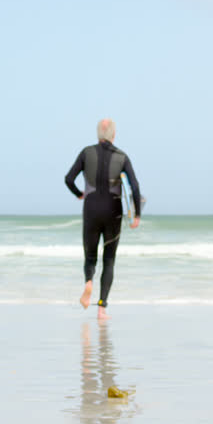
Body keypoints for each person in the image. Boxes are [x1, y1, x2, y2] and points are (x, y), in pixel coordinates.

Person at [65, 118, 142, 320]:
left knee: (90, 256)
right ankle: (101, 308)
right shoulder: (122, 156)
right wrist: (137, 215)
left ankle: (88, 282)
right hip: (112, 212)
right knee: (109, 260)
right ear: (114, 135)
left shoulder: (86, 153)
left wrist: (79, 194)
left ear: (98, 134)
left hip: (91, 210)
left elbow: (68, 178)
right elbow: (134, 187)